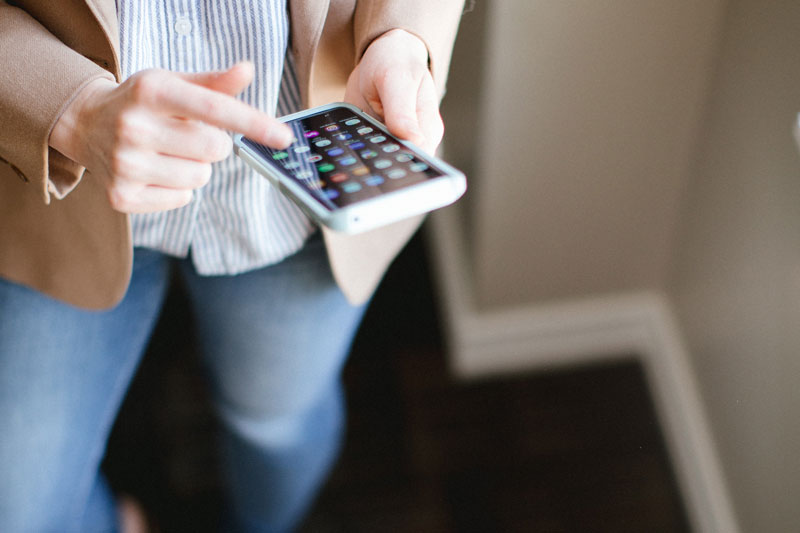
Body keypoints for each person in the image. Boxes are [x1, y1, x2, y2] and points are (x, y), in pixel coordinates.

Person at [0, 1, 464, 531]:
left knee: (275, 426)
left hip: (305, 177)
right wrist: (69, 110)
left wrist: (398, 35)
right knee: (18, 506)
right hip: (61, 181)